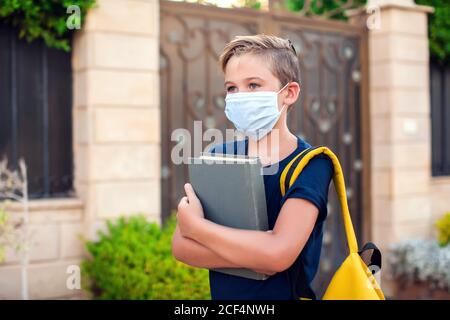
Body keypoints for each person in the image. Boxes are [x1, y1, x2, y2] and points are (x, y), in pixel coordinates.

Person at [172, 34, 334, 300]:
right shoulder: (219, 156)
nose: (239, 96)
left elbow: (278, 255)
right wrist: (259, 255)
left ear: (289, 93)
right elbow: (181, 247)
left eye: (254, 85)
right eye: (232, 88)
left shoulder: (312, 164)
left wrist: (198, 229)